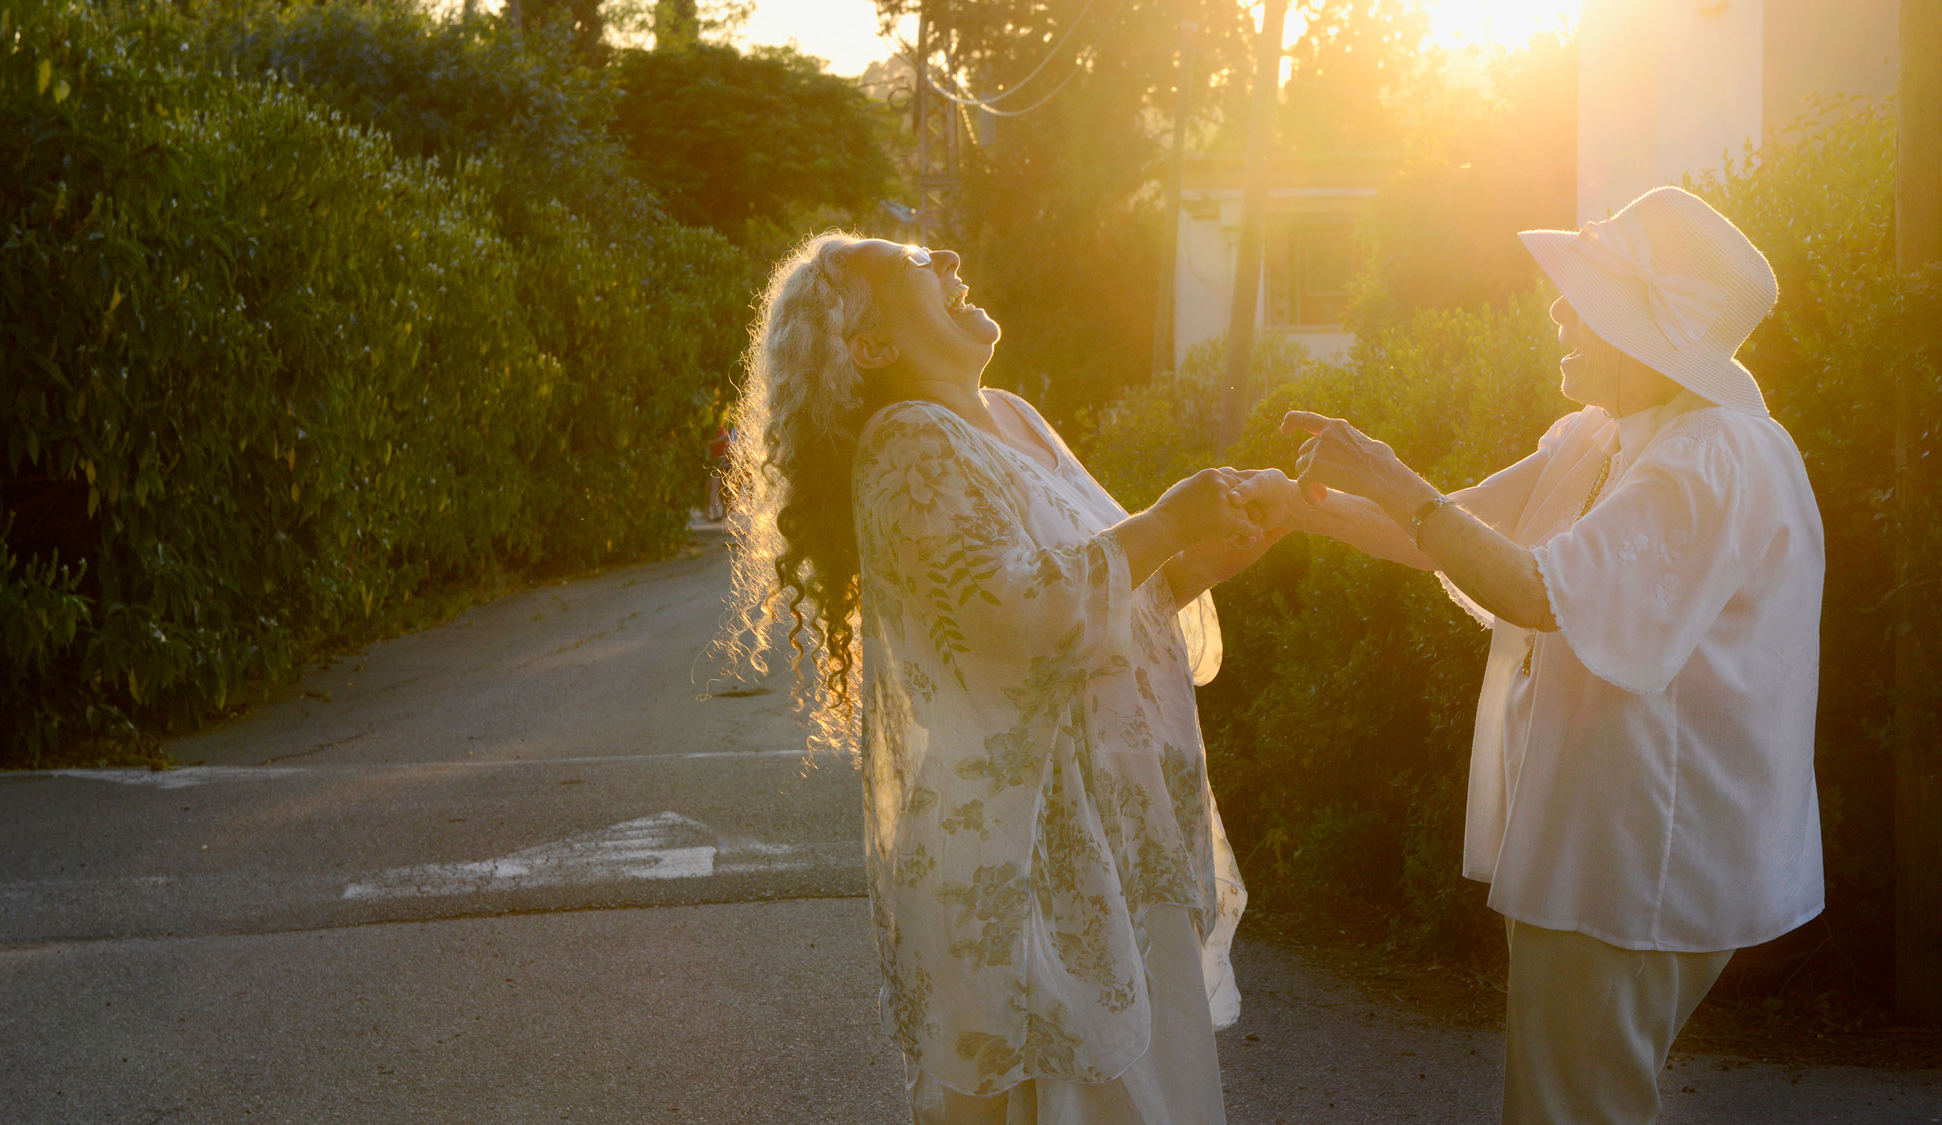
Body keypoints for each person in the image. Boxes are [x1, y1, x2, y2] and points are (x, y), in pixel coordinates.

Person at [1246, 186, 1826, 1124]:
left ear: (1639, 324)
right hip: (1601, 840)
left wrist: (1390, 475)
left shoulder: (1712, 454)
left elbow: (1532, 590)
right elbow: (1459, 524)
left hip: (1638, 859)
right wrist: (1302, 508)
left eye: (1580, 294)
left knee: (1571, 1110)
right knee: (1576, 1100)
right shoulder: (1605, 436)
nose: (1556, 309)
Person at [718, 231, 1283, 1123]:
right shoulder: (907, 443)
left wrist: (1217, 548)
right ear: (871, 347)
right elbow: (1022, 620)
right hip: (1034, 856)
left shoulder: (1016, 416)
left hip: (1117, 829)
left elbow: (1117, 592)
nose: (946, 256)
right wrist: (1170, 520)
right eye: (916, 267)